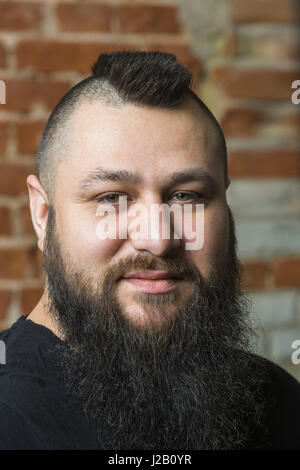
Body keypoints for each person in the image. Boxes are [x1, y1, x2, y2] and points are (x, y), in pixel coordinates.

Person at [0, 51, 299, 450]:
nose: (158, 239)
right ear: (42, 213)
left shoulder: (280, 405)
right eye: (111, 197)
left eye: (185, 196)